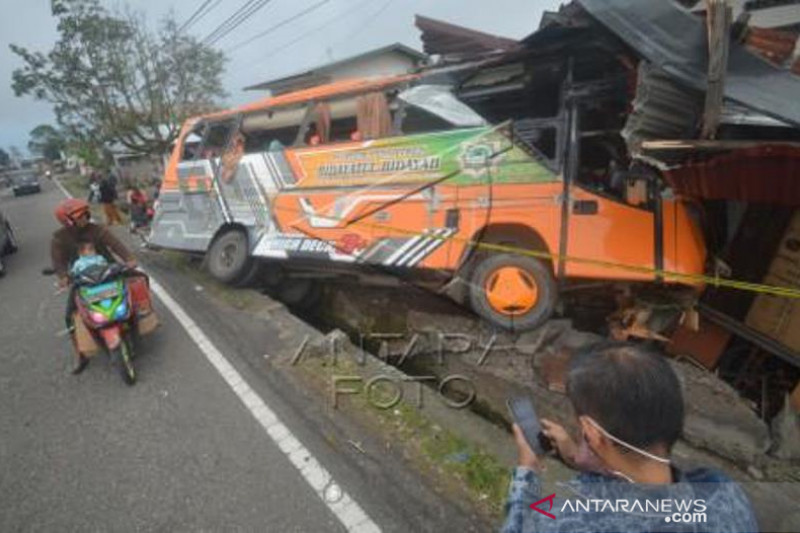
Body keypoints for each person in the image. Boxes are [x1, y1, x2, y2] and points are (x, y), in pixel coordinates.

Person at [501, 342, 758, 533]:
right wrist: (579, 458)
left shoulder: (569, 523)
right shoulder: (724, 493)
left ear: (591, 432)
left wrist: (528, 470)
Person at [51, 198, 136, 374]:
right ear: (67, 221)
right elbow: (58, 261)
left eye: (84, 214)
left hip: (109, 273)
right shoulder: (59, 238)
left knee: (135, 289)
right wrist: (62, 276)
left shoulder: (97, 230)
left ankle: (137, 328)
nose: (84, 218)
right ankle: (81, 354)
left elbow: (115, 244)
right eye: (78, 216)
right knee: (70, 316)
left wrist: (128, 258)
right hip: (82, 281)